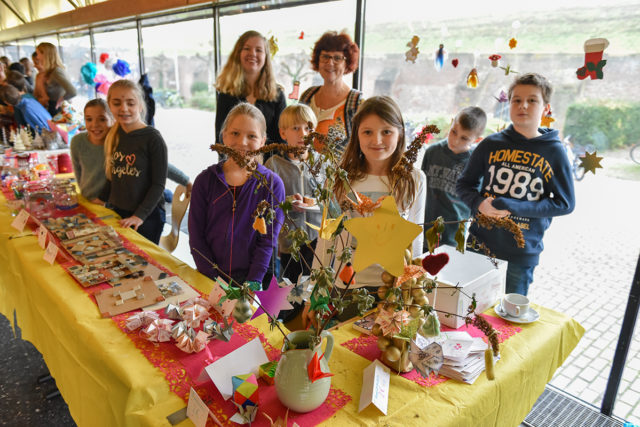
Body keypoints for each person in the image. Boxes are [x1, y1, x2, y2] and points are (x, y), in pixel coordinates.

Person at [307, 96, 426, 323]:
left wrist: (412, 289)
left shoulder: (415, 178)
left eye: (386, 132)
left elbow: (416, 239)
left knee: (390, 355)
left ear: (400, 133)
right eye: (367, 132)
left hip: (394, 289)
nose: (377, 140)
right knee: (348, 353)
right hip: (348, 288)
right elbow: (326, 239)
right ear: (356, 134)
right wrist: (315, 293)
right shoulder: (340, 178)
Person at [456, 73, 575, 296]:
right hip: (479, 246)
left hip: (522, 253)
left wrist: (516, 207)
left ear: (546, 108)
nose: (523, 106)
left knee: (510, 319)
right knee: (469, 312)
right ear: (509, 104)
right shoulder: (491, 144)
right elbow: (464, 185)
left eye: (532, 100)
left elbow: (565, 203)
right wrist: (480, 203)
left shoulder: (554, 152)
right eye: (516, 100)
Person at [189, 102, 285, 289]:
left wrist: (253, 282)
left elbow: (267, 242)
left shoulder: (273, 185)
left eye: (251, 136)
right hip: (210, 277)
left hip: (256, 278)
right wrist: (214, 279)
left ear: (263, 141)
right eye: (235, 133)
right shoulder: (204, 181)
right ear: (224, 135)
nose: (242, 142)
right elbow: (196, 238)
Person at [100, 80, 168, 244]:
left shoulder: (153, 138)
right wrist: (100, 198)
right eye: (117, 103)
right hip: (120, 211)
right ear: (109, 105)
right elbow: (113, 176)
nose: (123, 108)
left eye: (130, 103)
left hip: (147, 216)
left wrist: (139, 216)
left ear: (140, 106)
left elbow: (158, 184)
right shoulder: (113, 135)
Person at [265, 104, 323, 283]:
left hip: (317, 240)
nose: (303, 134)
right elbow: (266, 202)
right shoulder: (274, 165)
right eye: (296, 128)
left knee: (313, 286)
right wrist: (286, 202)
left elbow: (330, 201)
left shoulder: (322, 163)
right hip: (289, 243)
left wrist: (314, 203)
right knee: (290, 287)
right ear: (283, 134)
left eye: (308, 128)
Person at [421, 106, 487, 248]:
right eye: (454, 132)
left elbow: (476, 203)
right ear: (451, 123)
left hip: (453, 235)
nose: (455, 140)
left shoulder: (476, 164)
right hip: (424, 229)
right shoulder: (432, 152)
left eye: (464, 138)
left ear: (477, 139)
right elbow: (421, 190)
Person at [214, 30, 286, 148]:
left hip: (270, 165)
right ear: (238, 54)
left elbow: (283, 140)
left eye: (258, 50)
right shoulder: (226, 94)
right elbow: (220, 139)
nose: (252, 53)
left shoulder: (277, 95)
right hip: (234, 163)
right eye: (247, 48)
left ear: (266, 57)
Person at [299, 31, 363, 151]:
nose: (330, 63)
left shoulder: (357, 103)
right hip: (304, 167)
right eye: (325, 56)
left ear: (347, 63)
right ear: (318, 60)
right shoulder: (307, 96)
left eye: (337, 58)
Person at [71, 99, 114, 203]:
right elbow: (78, 172)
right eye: (89, 119)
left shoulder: (117, 143)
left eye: (102, 119)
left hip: (110, 203)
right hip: (87, 199)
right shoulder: (77, 141)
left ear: (113, 120)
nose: (95, 124)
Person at [34, 42, 76, 116]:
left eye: (38, 54)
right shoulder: (52, 71)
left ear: (45, 54)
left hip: (58, 110)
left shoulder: (56, 71)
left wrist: (61, 99)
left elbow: (73, 91)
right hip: (55, 108)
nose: (37, 57)